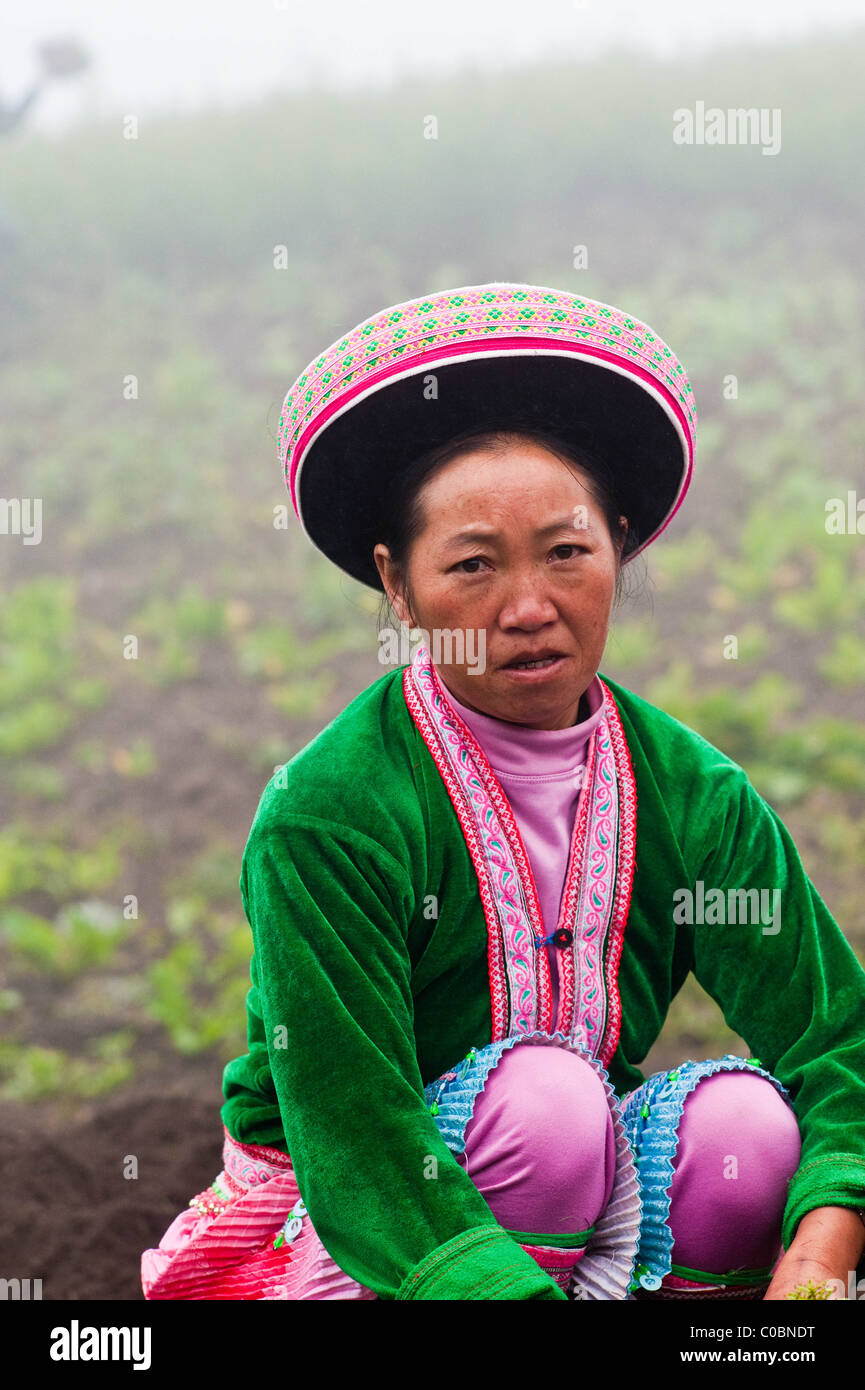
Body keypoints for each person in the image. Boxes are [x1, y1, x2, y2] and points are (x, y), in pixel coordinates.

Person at [141, 281, 865, 1301]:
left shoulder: (697, 797)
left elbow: (839, 1040)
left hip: (572, 1189)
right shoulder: (330, 810)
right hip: (357, 1216)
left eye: (567, 553)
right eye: (473, 565)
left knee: (741, 1131)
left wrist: (823, 1247)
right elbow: (357, 1131)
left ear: (617, 543)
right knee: (548, 1107)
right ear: (397, 584)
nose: (528, 607)